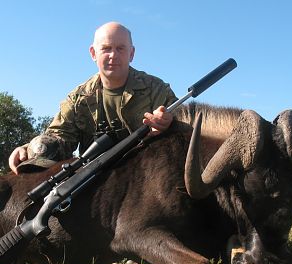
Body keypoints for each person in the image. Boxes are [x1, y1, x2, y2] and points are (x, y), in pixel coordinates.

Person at [9, 21, 177, 175]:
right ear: (93, 53)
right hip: (95, 179)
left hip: (147, 174)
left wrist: (169, 124)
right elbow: (59, 138)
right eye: (106, 48)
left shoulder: (156, 89)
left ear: (131, 53)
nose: (113, 55)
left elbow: (187, 129)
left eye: (120, 48)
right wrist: (29, 150)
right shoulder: (77, 98)